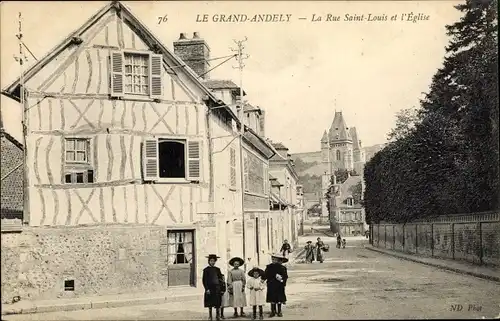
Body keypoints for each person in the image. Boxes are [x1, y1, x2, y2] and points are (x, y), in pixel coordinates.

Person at [263, 253, 289, 317]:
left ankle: (279, 311)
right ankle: (273, 311)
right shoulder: (269, 267)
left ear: (278, 260)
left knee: (279, 298)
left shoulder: (282, 268)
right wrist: (263, 279)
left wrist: (282, 281)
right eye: (272, 259)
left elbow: (285, 276)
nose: (273, 260)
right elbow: (265, 274)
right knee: (272, 298)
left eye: (275, 259)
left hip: (279, 285)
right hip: (271, 284)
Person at [203, 254, 224, 321]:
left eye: (214, 261)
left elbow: (220, 279)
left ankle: (217, 316)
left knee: (217, 302)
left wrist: (221, 288)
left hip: (217, 288)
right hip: (210, 288)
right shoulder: (206, 270)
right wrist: (207, 289)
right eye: (211, 261)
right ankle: (210, 316)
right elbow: (204, 280)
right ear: (209, 261)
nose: (212, 262)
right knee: (210, 302)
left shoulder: (217, 269)